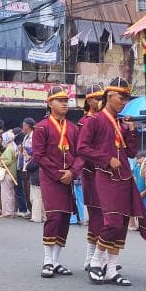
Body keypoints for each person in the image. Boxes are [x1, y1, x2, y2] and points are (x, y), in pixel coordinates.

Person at [77, 77, 146, 286]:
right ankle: (95, 262)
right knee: (111, 222)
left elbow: (130, 151)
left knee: (120, 225)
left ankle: (111, 270)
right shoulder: (94, 121)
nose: (124, 102)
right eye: (121, 97)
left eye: (126, 98)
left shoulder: (121, 122)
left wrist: (131, 131)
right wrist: (106, 158)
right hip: (106, 176)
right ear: (109, 96)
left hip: (125, 177)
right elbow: (82, 148)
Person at [33, 85, 83, 279]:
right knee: (53, 217)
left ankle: (56, 260)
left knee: (64, 218)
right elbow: (39, 155)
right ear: (49, 103)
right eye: (60, 100)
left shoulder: (73, 128)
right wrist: (58, 174)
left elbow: (80, 155)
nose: (64, 104)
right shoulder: (41, 127)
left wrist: (72, 172)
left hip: (68, 178)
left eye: (66, 100)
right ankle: (47, 260)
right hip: (51, 179)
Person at [77, 83, 104, 270]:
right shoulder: (84, 121)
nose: (100, 101)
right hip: (91, 173)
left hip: (105, 173)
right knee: (96, 216)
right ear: (88, 100)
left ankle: (99, 258)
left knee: (104, 216)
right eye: (96, 98)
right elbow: (82, 150)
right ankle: (89, 258)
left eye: (102, 98)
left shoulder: (105, 120)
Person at [0, 128, 19, 217]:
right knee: (9, 193)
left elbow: (8, 161)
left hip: (8, 173)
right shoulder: (12, 147)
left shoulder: (10, 148)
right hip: (9, 173)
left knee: (6, 193)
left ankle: (7, 211)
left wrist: (0, 161)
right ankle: (9, 210)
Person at [18, 118, 35, 216]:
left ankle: (33, 210)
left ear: (28, 126)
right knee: (25, 191)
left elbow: (34, 151)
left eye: (23, 125)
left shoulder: (34, 137)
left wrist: (26, 150)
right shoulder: (25, 137)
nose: (22, 128)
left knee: (30, 190)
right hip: (24, 166)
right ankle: (30, 210)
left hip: (31, 166)